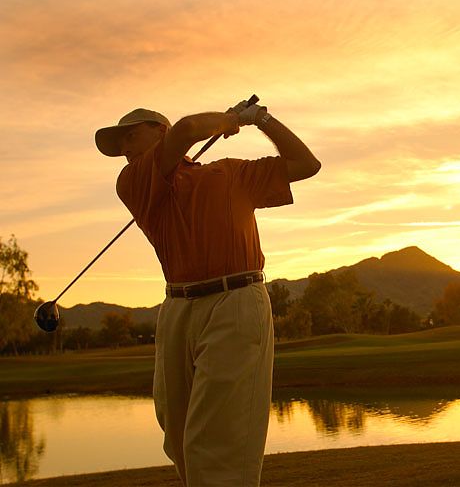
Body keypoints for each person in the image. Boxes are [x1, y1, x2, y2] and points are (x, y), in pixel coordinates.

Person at [94, 99, 321, 486]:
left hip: (235, 302)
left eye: (130, 136)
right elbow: (186, 129)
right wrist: (236, 120)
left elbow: (306, 164)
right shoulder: (132, 182)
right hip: (177, 309)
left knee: (217, 444)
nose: (125, 149)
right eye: (119, 146)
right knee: (179, 438)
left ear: (157, 133)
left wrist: (262, 120)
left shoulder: (229, 173)